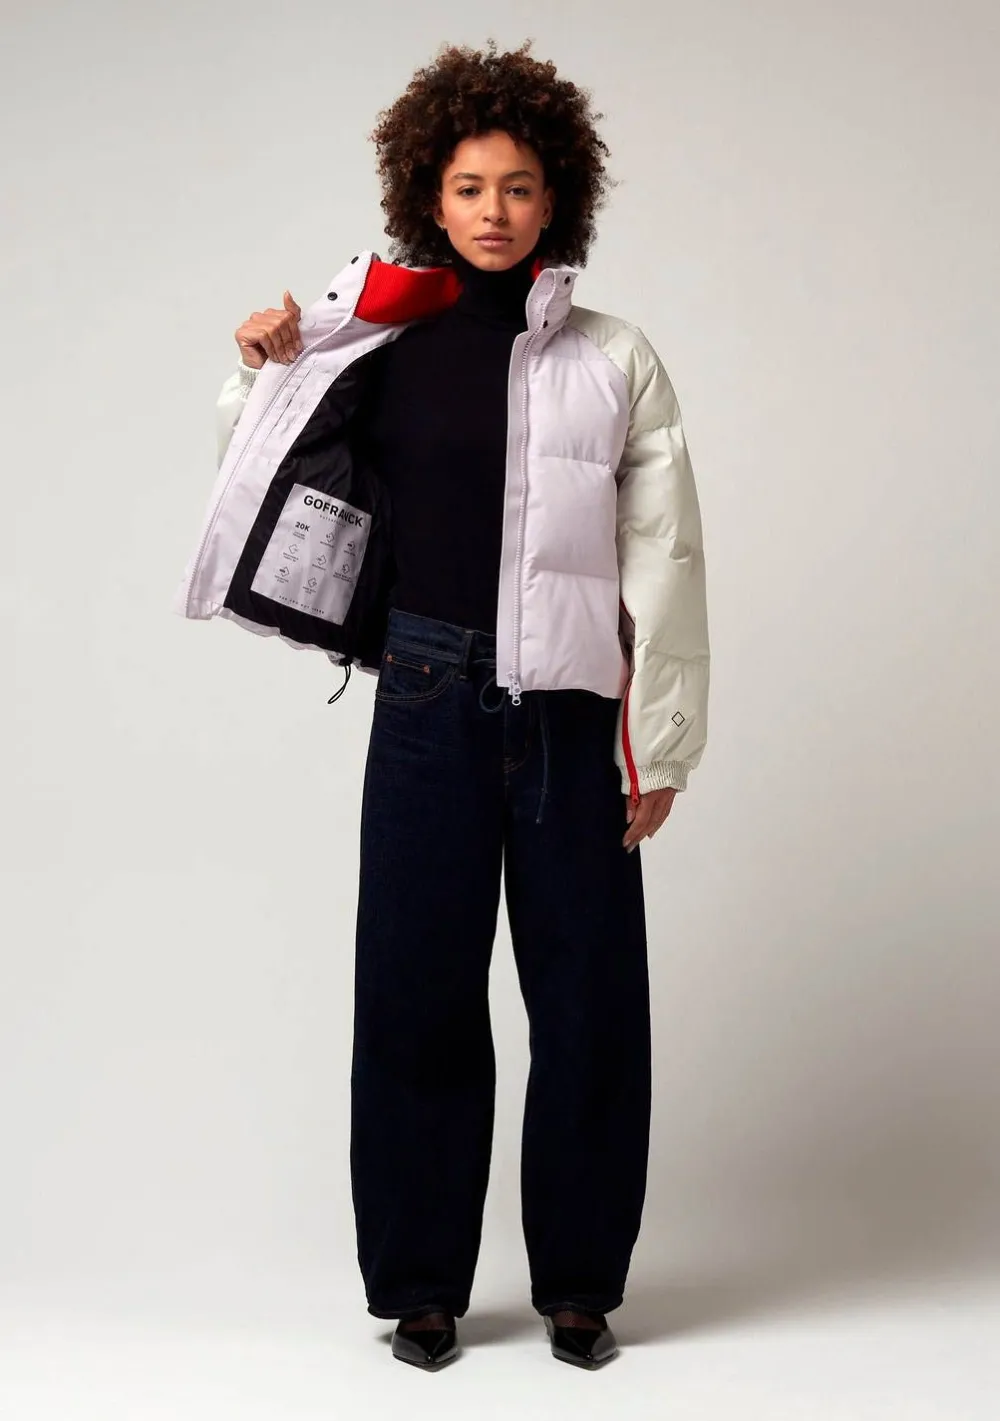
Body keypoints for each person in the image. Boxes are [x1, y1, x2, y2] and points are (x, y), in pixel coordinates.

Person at [206, 38, 709, 1371]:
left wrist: (659, 745)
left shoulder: (615, 358)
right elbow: (263, 468)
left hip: (570, 718)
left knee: (590, 1006)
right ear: (428, 196)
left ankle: (581, 1287)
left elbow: (667, 560)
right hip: (426, 699)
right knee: (417, 997)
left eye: (520, 186)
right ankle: (422, 1286)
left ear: (559, 200)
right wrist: (263, 365)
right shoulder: (379, 342)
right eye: (471, 186)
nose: (495, 210)